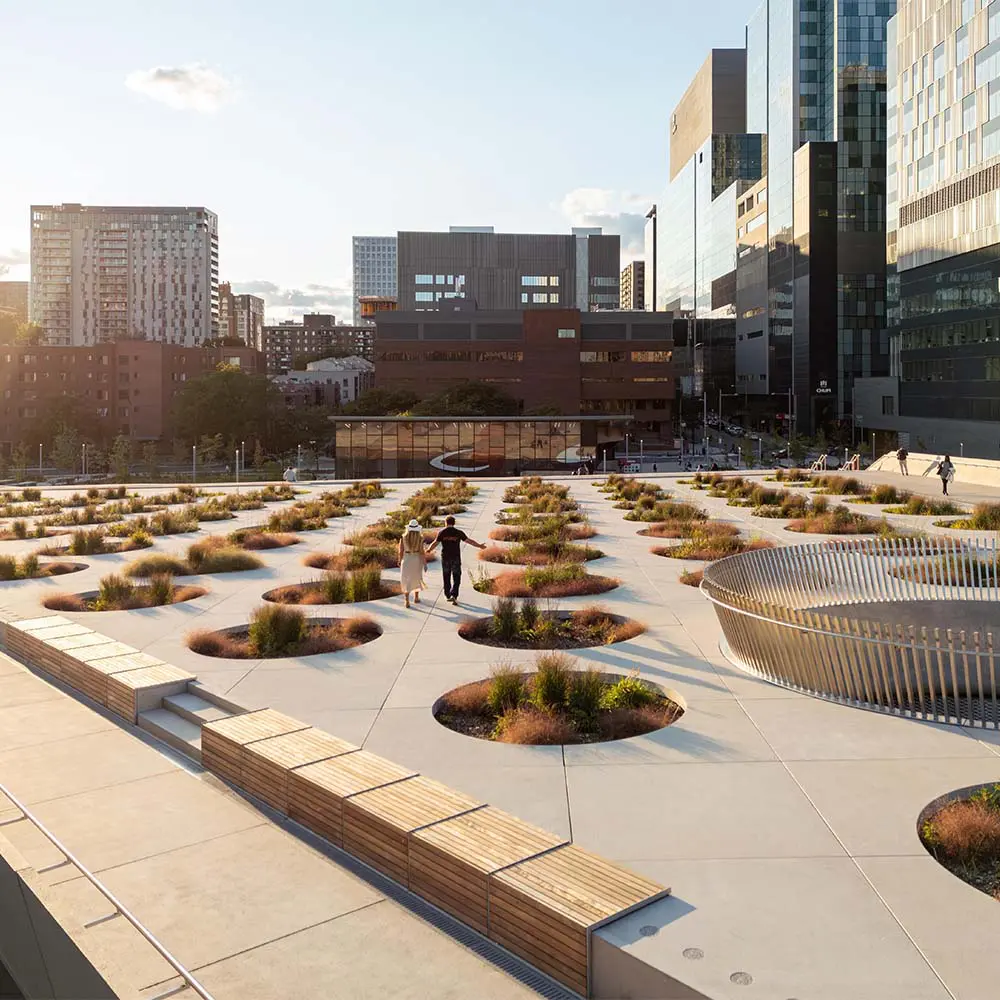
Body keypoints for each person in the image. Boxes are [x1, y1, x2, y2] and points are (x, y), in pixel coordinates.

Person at [426, 515, 485, 605]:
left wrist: (429, 550)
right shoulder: (458, 532)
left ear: (446, 523)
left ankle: (448, 595)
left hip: (445, 557)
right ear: (454, 523)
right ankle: (454, 594)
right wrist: (479, 546)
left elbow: (435, 543)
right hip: (456, 558)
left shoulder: (442, 532)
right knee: (456, 576)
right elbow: (469, 541)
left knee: (446, 576)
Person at [397, 520, 427, 609]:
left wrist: (399, 560)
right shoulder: (420, 538)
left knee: (406, 579)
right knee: (416, 578)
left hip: (406, 559)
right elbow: (422, 552)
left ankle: (406, 600)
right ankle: (416, 597)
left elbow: (400, 551)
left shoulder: (403, 538)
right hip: (416, 559)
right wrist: (425, 563)